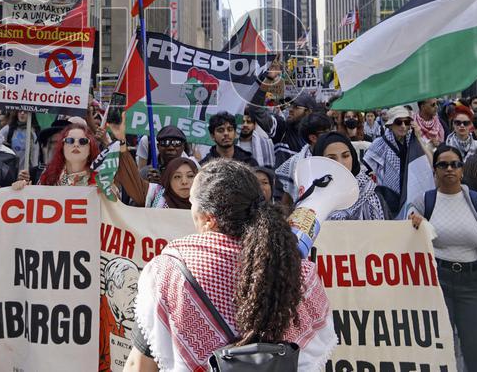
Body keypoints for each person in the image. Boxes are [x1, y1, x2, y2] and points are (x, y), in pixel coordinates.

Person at [124, 159, 335, 372]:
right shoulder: (299, 270)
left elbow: (139, 365)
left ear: (209, 219)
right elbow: (313, 359)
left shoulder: (169, 270)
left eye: (192, 202)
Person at [407, 146, 477, 372]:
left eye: (455, 164)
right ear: (435, 170)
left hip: (473, 281)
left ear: (462, 170)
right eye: (443, 165)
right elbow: (407, 235)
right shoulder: (423, 202)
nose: (449, 169)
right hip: (437, 280)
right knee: (442, 343)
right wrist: (413, 223)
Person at [363, 104, 435, 217]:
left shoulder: (414, 141)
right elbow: (365, 168)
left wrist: (419, 137)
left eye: (406, 122)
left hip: (411, 192)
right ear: (391, 125)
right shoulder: (380, 143)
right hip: (389, 198)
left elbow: (431, 163)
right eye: (398, 122)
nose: (403, 126)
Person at [310, 132, 387, 220]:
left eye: (345, 156)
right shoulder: (311, 194)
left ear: (353, 157)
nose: (340, 163)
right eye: (331, 158)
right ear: (320, 162)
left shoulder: (369, 193)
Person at [14, 124, 100, 188]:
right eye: (70, 140)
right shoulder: (48, 174)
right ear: (62, 147)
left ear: (91, 147)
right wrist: (23, 190)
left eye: (83, 141)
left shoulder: (102, 179)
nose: (76, 145)